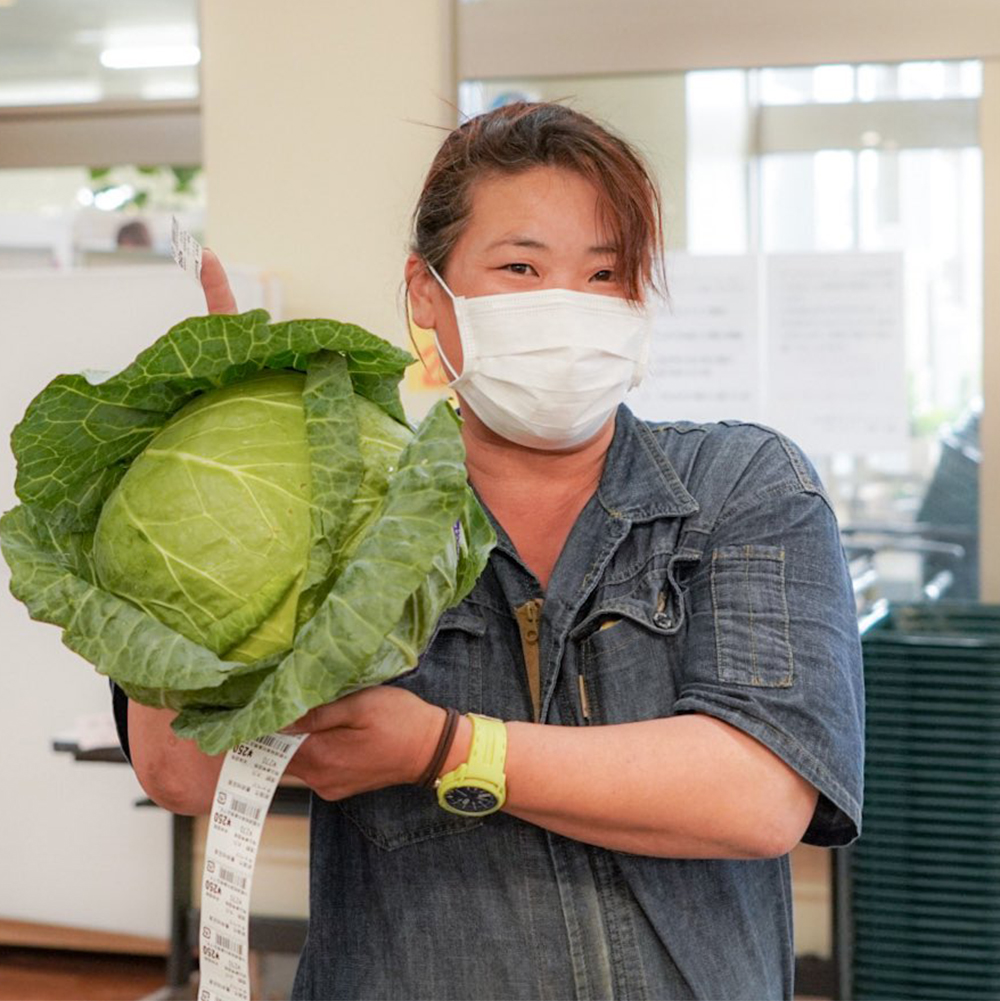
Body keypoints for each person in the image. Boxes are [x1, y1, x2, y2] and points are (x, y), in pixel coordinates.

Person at [114, 102, 864, 1000]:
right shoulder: (352, 507)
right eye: (522, 266)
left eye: (606, 273)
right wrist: (210, 467)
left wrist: (443, 748)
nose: (568, 305)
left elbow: (758, 796)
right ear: (429, 293)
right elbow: (185, 771)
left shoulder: (745, 484)